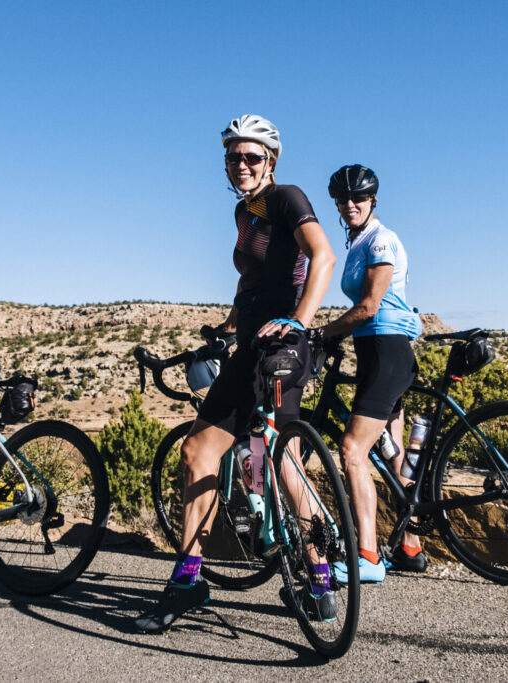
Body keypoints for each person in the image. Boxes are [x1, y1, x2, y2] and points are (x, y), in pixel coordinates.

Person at [134, 115, 336, 633]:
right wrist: (227, 326)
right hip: (253, 342)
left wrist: (299, 322)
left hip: (274, 347)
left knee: (205, 451)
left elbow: (323, 256)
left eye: (251, 157)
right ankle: (320, 582)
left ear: (271, 160)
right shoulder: (245, 210)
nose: (241, 165)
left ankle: (188, 581)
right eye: (233, 157)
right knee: (280, 460)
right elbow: (255, 281)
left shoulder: (286, 197)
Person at [314, 165, 427, 584]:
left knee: (352, 450)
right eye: (342, 200)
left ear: (372, 200)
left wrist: (323, 331)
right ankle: (411, 546)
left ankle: (368, 558)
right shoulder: (362, 240)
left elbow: (369, 307)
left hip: (384, 350)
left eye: (357, 198)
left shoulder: (380, 240)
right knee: (391, 450)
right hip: (379, 351)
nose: (349, 205)